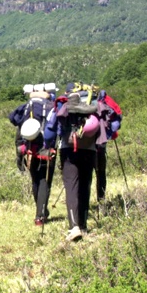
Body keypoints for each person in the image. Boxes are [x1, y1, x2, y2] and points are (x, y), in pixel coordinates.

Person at [45, 82, 106, 241]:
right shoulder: (93, 103)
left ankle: (74, 227)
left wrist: (49, 146)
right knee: (85, 185)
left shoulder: (64, 104)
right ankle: (84, 226)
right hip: (90, 150)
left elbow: (50, 131)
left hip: (68, 149)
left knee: (71, 186)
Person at [9, 84, 57, 226]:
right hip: (47, 149)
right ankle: (40, 215)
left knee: (35, 180)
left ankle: (40, 211)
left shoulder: (26, 106)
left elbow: (14, 120)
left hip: (29, 149)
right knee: (44, 181)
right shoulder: (52, 106)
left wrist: (19, 153)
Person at [94, 89, 122, 211]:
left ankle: (81, 202)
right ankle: (101, 199)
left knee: (84, 175)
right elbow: (115, 120)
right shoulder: (104, 102)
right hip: (100, 145)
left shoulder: (82, 102)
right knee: (101, 173)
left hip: (83, 147)